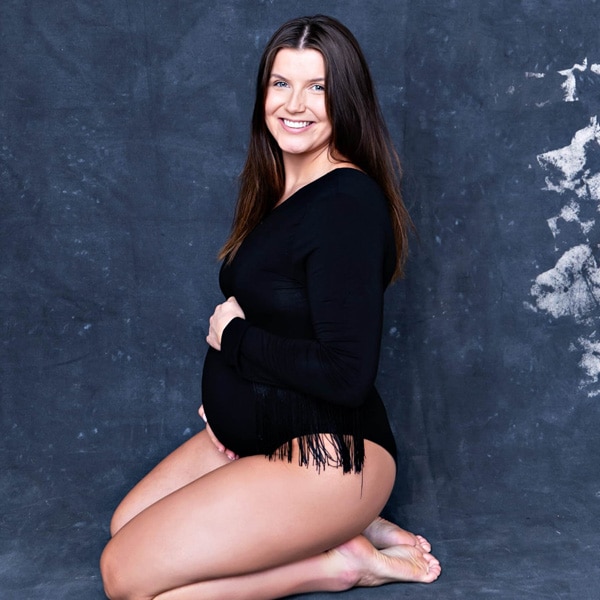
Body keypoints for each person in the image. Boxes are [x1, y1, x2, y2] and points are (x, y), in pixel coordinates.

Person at [100, 14, 441, 600]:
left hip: (334, 454)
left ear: (347, 102)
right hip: (275, 435)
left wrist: (234, 344)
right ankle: (348, 531)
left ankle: (341, 565)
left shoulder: (346, 205)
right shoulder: (284, 189)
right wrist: (236, 396)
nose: (296, 104)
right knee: (124, 527)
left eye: (319, 88)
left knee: (126, 577)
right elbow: (289, 318)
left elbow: (346, 373)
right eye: (281, 84)